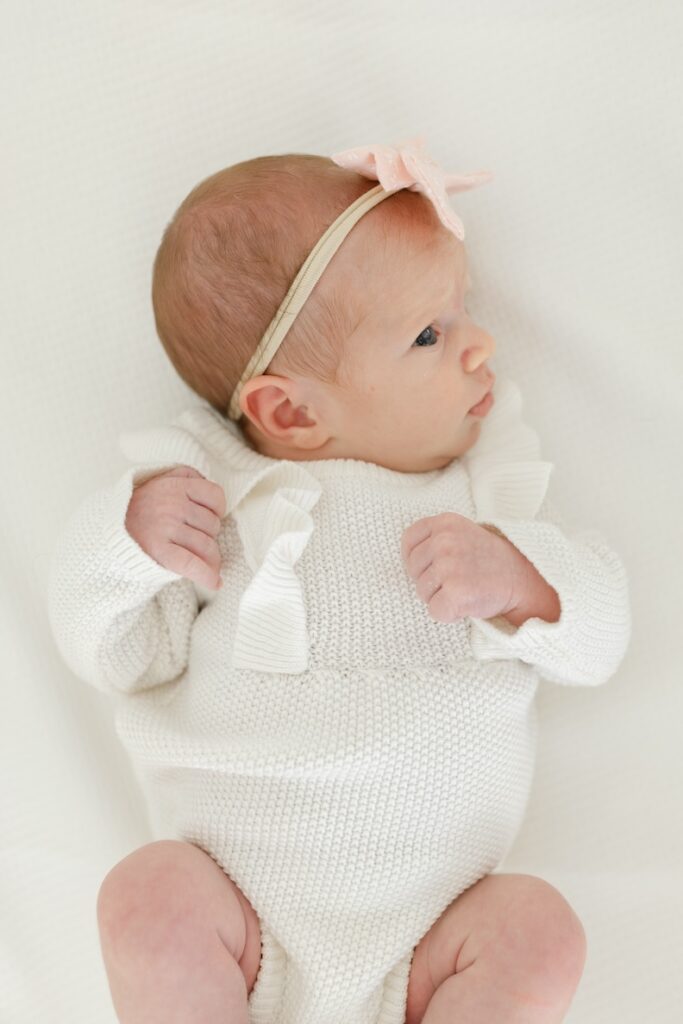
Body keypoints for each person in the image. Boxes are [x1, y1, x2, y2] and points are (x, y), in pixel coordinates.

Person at [47, 137, 631, 1024]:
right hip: (242, 929)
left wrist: (524, 582)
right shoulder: (217, 498)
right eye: (429, 334)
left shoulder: (487, 498)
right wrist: (122, 544)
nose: (481, 346)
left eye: (460, 310)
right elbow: (115, 653)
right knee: (147, 897)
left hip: (435, 939)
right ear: (289, 411)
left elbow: (599, 639)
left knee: (538, 927)